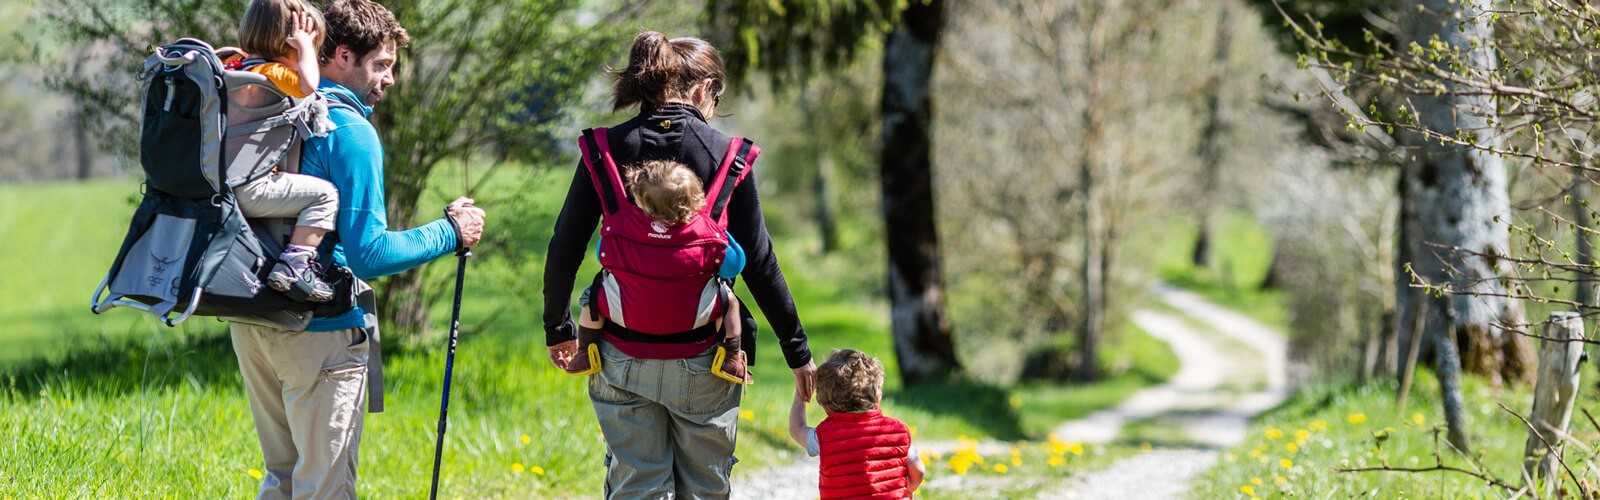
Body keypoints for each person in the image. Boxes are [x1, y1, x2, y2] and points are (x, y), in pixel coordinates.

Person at [228, 1, 487, 498]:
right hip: (317, 327)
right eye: (382, 65)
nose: (389, 80)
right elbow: (369, 254)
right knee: (324, 487)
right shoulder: (348, 131)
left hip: (251, 314)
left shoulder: (260, 102)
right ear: (341, 56)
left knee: (282, 477)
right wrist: (450, 231)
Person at [542, 31, 816, 498]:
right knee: (706, 487)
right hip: (704, 358)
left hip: (620, 353)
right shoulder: (729, 158)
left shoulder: (603, 149)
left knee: (636, 484)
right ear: (702, 89)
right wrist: (798, 352)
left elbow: (565, 245)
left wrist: (558, 328)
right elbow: (760, 263)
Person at [566, 159, 750, 384]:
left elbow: (602, 255)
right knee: (730, 302)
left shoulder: (623, 230)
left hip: (627, 317)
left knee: (591, 298)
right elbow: (735, 265)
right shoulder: (706, 236)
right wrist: (719, 232)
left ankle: (584, 351)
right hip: (692, 320)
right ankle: (731, 357)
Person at [228, 0, 344, 301]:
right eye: (311, 50)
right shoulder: (272, 73)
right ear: (287, 43)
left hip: (222, 185)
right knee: (325, 196)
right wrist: (305, 44)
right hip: (251, 188)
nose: (313, 56)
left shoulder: (235, 68)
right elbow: (308, 85)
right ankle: (294, 266)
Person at [788, 349, 926, 499]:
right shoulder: (897, 432)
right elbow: (918, 470)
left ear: (822, 403)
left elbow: (797, 429)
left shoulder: (825, 437)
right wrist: (909, 489)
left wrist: (800, 392)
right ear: (878, 397)